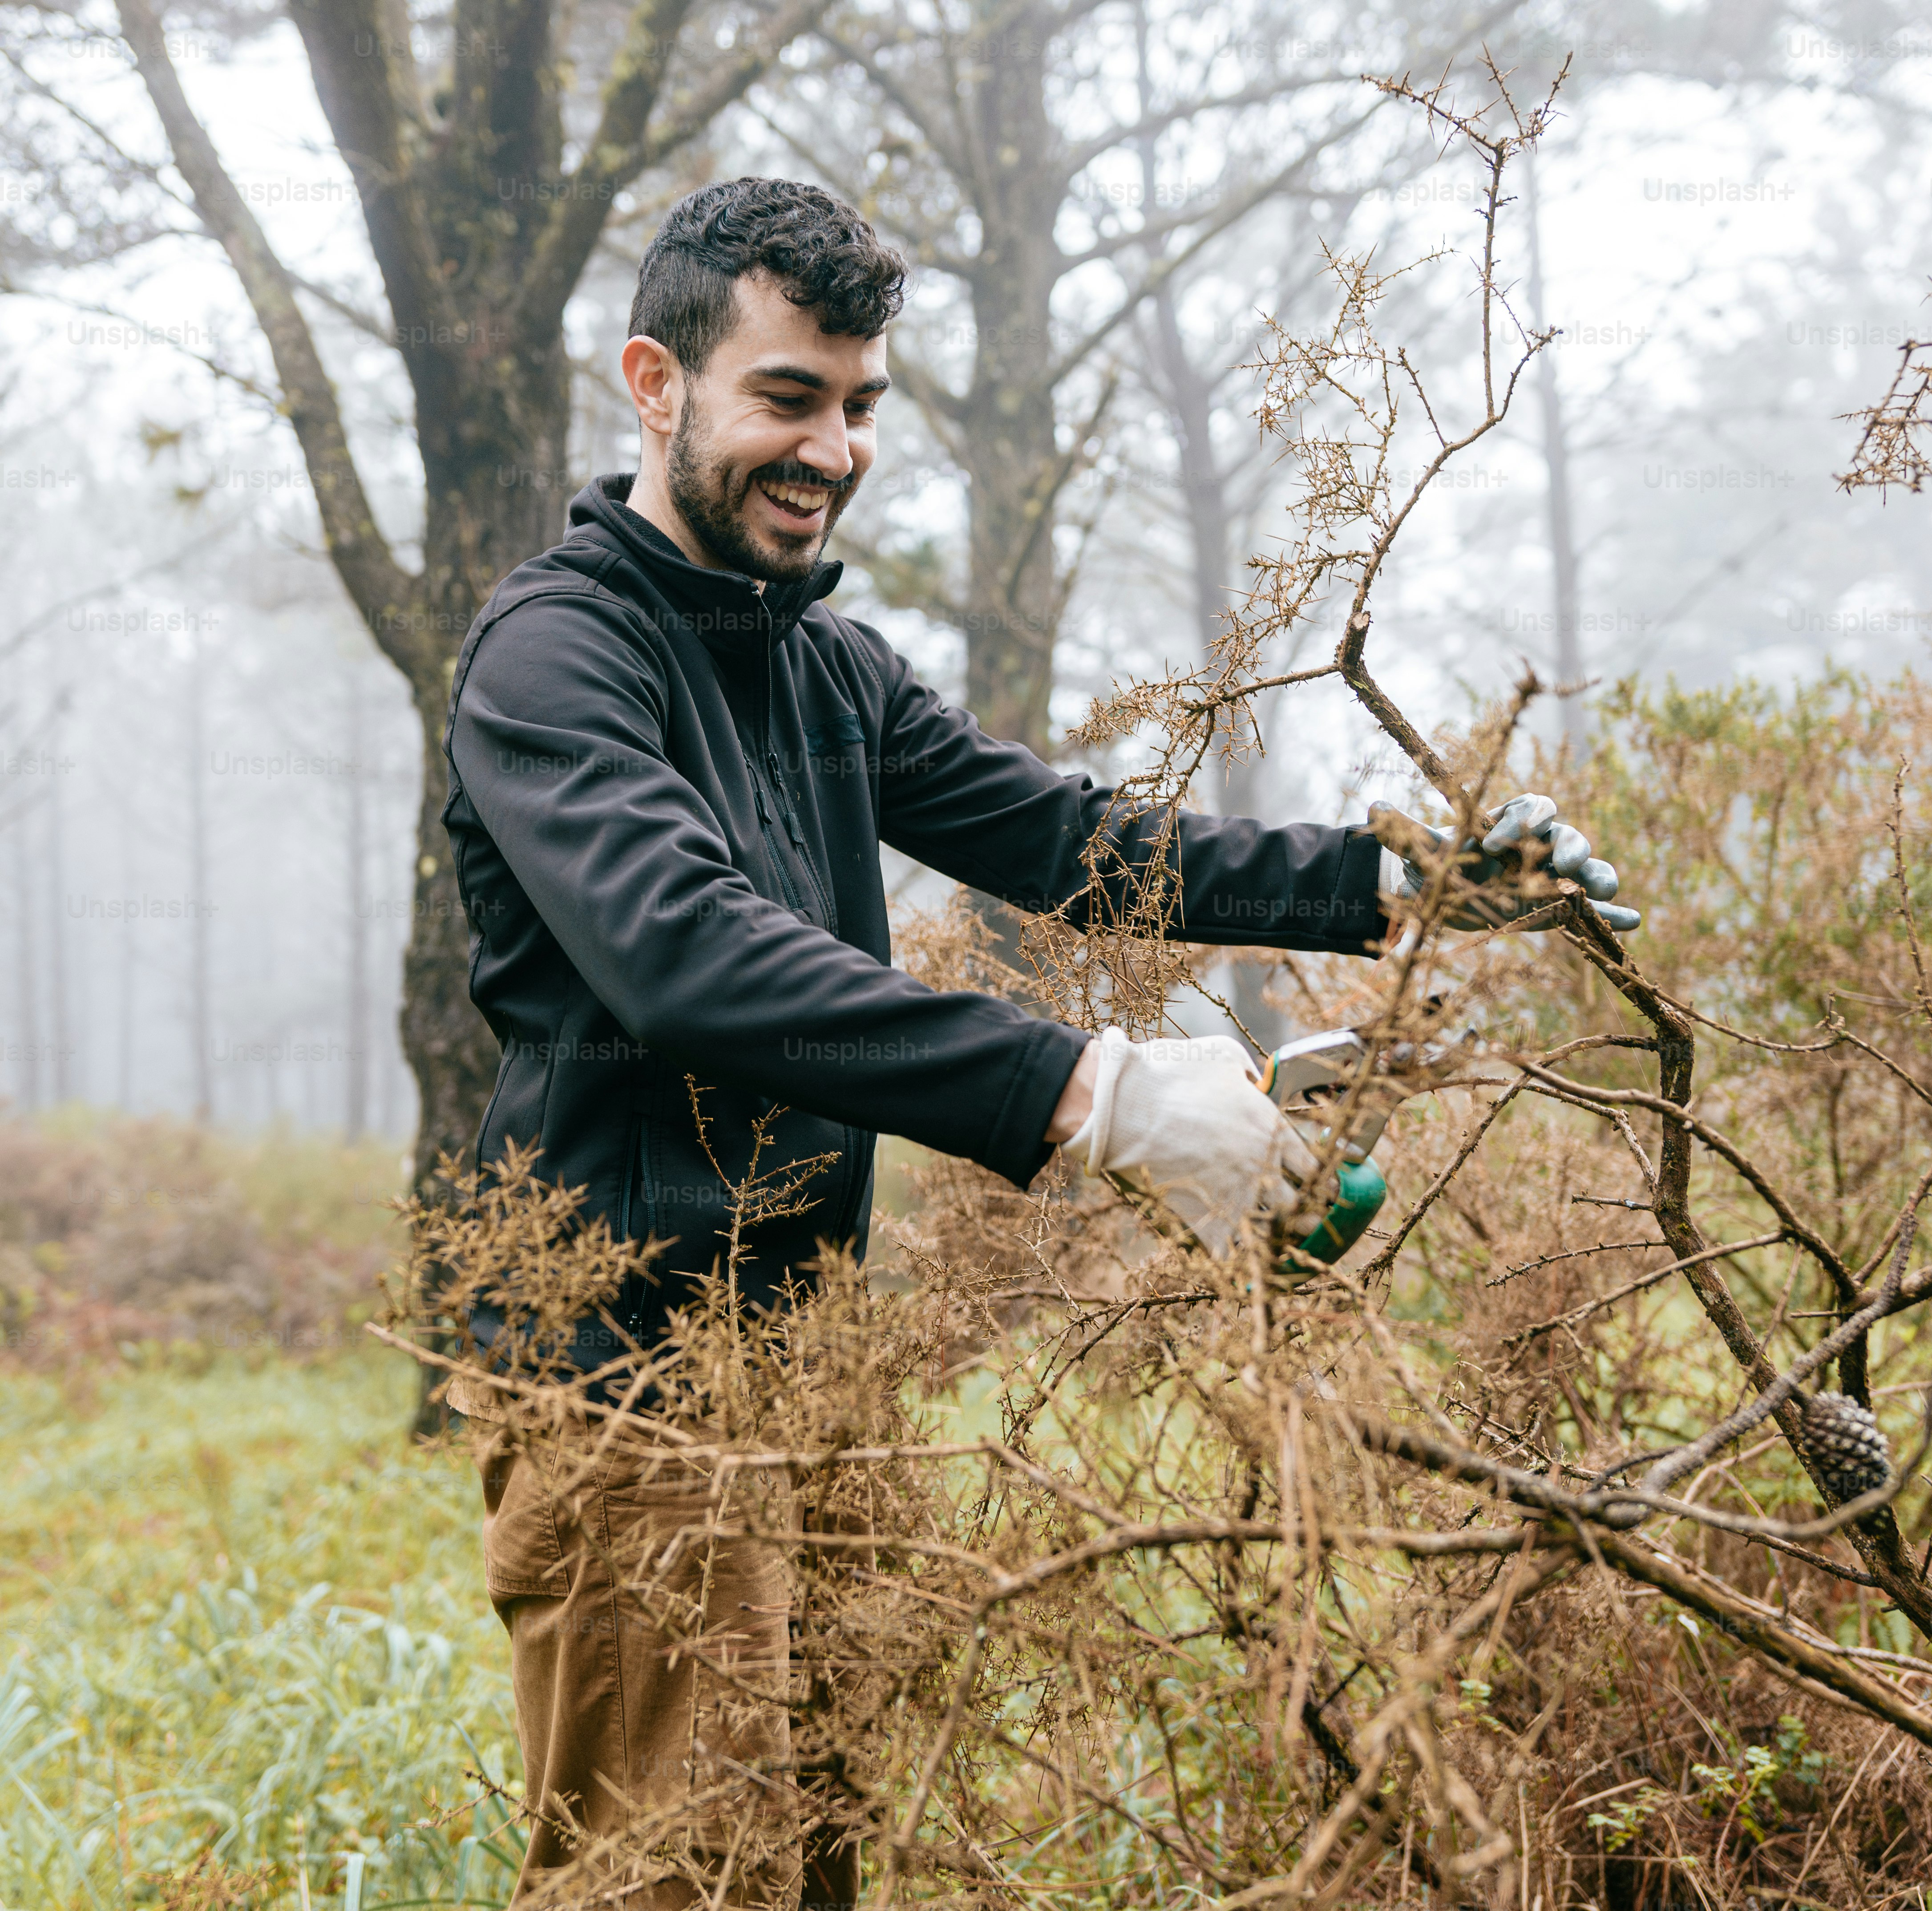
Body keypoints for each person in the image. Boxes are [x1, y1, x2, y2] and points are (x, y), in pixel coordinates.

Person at [438, 175, 1634, 1909]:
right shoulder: (552, 661)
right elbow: (687, 961)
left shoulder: (827, 667)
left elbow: (1076, 843)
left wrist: (1405, 876)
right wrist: (1100, 1094)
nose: (834, 448)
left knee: (823, 1865)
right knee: (672, 1881)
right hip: (631, 1399)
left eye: (858, 407)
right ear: (655, 383)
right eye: (788, 396)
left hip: (815, 1357)